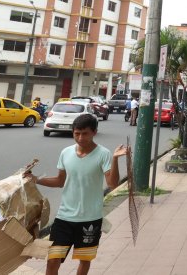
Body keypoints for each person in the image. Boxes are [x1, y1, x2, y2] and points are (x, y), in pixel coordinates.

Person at [23, 113, 127, 275]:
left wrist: (114, 159)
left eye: (84, 133)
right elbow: (60, 181)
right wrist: (35, 179)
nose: (80, 137)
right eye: (76, 133)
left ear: (94, 132)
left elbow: (112, 184)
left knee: (84, 261)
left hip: (90, 219)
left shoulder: (103, 154)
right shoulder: (66, 153)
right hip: (64, 218)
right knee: (52, 261)